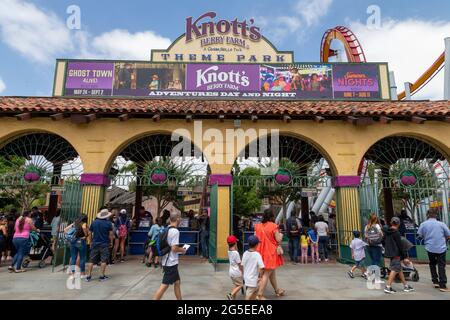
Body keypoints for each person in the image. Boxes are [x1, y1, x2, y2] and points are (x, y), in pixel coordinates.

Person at [154, 212, 187, 300]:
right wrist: (183, 250)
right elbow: (174, 248)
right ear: (177, 219)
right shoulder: (175, 231)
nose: (180, 220)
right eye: (180, 218)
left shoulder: (167, 228)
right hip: (171, 263)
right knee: (164, 285)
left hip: (167, 261)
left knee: (177, 282)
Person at [254, 209, 285, 300]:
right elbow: (278, 239)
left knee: (271, 273)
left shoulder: (257, 226)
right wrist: (281, 235)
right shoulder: (274, 226)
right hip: (270, 253)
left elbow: (256, 238)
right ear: (272, 216)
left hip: (260, 252)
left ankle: (277, 290)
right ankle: (259, 295)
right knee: (266, 274)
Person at [417, 209, 450, 292]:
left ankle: (435, 281)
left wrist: (426, 237)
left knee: (432, 263)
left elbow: (419, 235)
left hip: (430, 247)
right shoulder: (441, 224)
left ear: (427, 215)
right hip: (441, 248)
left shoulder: (423, 224)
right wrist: (444, 240)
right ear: (436, 215)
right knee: (441, 265)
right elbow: (448, 234)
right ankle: (442, 285)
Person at [383, 217, 415, 294]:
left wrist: (388, 248)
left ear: (391, 223)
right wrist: (404, 257)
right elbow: (400, 245)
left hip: (390, 253)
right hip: (396, 254)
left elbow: (383, 241)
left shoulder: (387, 232)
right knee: (394, 269)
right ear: (398, 224)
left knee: (399, 269)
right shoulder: (396, 233)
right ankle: (388, 287)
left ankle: (406, 286)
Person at [85, 209, 114, 282]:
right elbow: (110, 234)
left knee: (91, 260)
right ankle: (101, 276)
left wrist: (91, 241)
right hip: (104, 244)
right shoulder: (108, 223)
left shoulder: (94, 222)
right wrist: (111, 242)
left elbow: (90, 233)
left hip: (95, 243)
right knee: (104, 260)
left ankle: (88, 276)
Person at [241, 235, 264, 300]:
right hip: (253, 279)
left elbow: (242, 265)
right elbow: (262, 267)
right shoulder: (257, 255)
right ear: (257, 245)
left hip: (246, 277)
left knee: (254, 292)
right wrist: (260, 277)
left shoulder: (245, 253)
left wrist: (243, 274)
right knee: (248, 295)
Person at [226, 235, 243, 300]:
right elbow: (239, 264)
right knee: (240, 285)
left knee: (236, 285)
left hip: (231, 272)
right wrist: (242, 271)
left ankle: (233, 298)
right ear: (235, 243)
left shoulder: (229, 251)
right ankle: (230, 295)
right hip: (237, 272)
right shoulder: (236, 253)